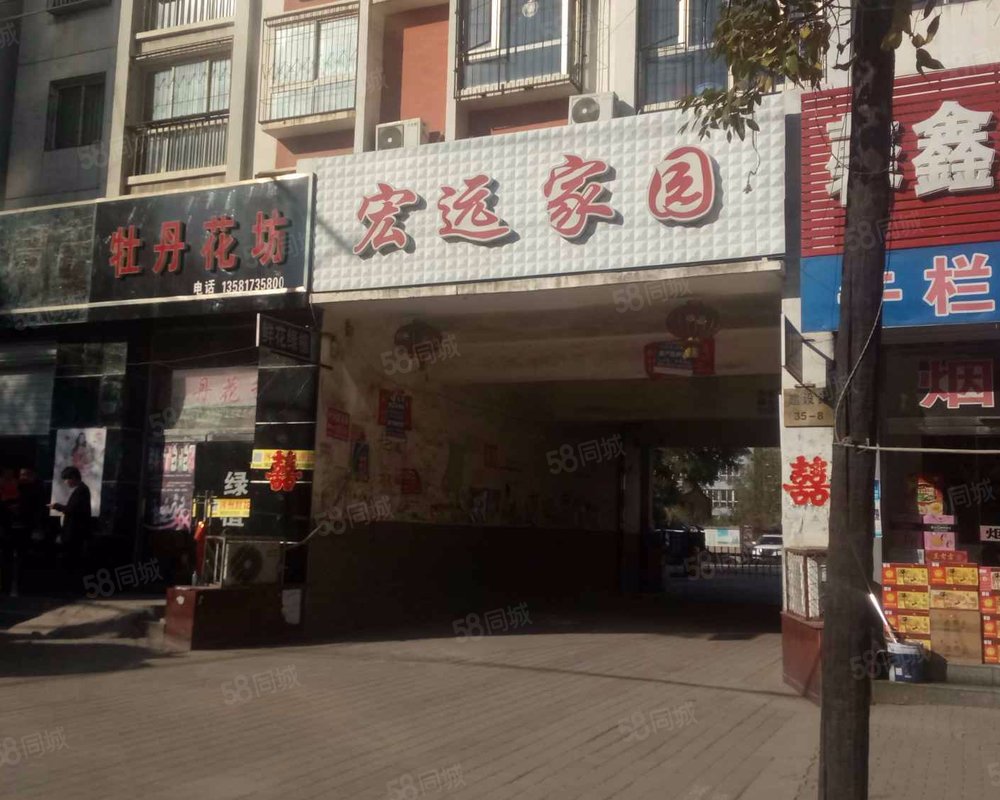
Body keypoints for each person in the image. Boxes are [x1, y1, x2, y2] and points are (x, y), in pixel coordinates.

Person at [49, 467, 93, 579]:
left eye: (66, 479)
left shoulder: (81, 490)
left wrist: (56, 506)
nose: (65, 482)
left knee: (71, 557)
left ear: (73, 478)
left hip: (75, 531)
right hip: (73, 530)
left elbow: (72, 509)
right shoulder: (80, 490)